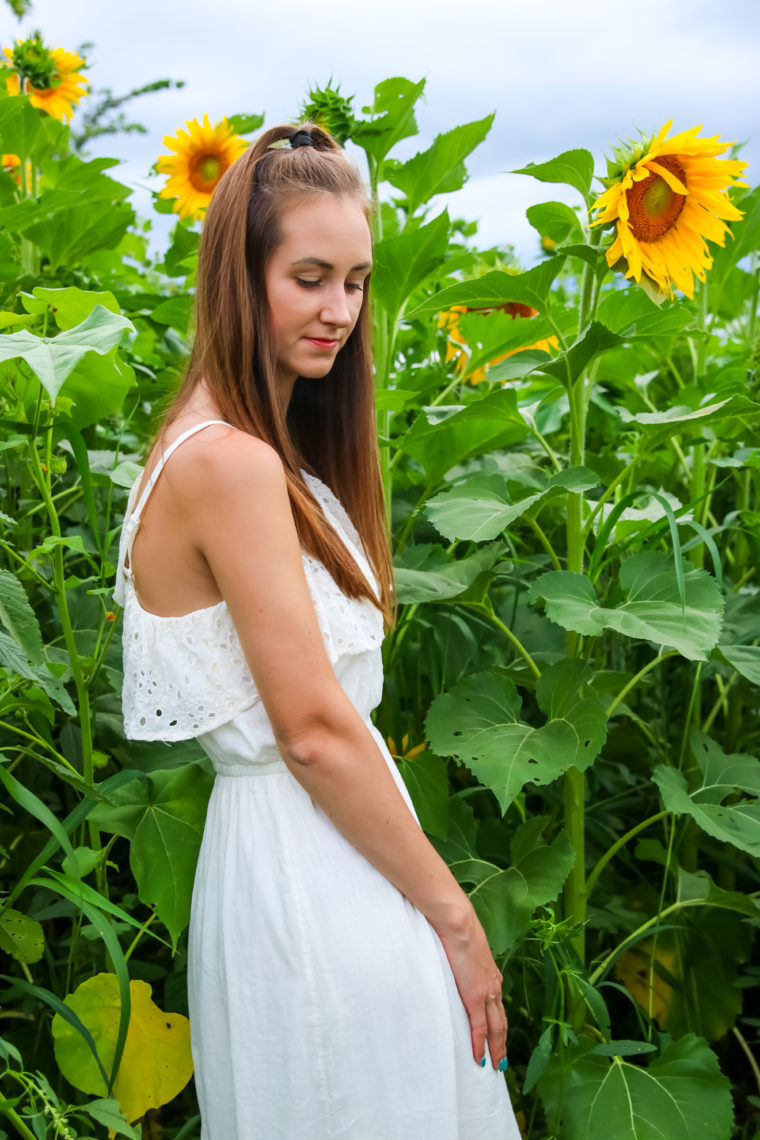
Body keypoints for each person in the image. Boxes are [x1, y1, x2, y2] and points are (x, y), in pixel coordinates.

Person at [113, 123, 521, 1139]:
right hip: (313, 876)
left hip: (310, 865)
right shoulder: (231, 463)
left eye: (356, 280)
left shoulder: (249, 449)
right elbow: (311, 731)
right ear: (238, 277)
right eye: (309, 277)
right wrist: (456, 917)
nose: (339, 311)